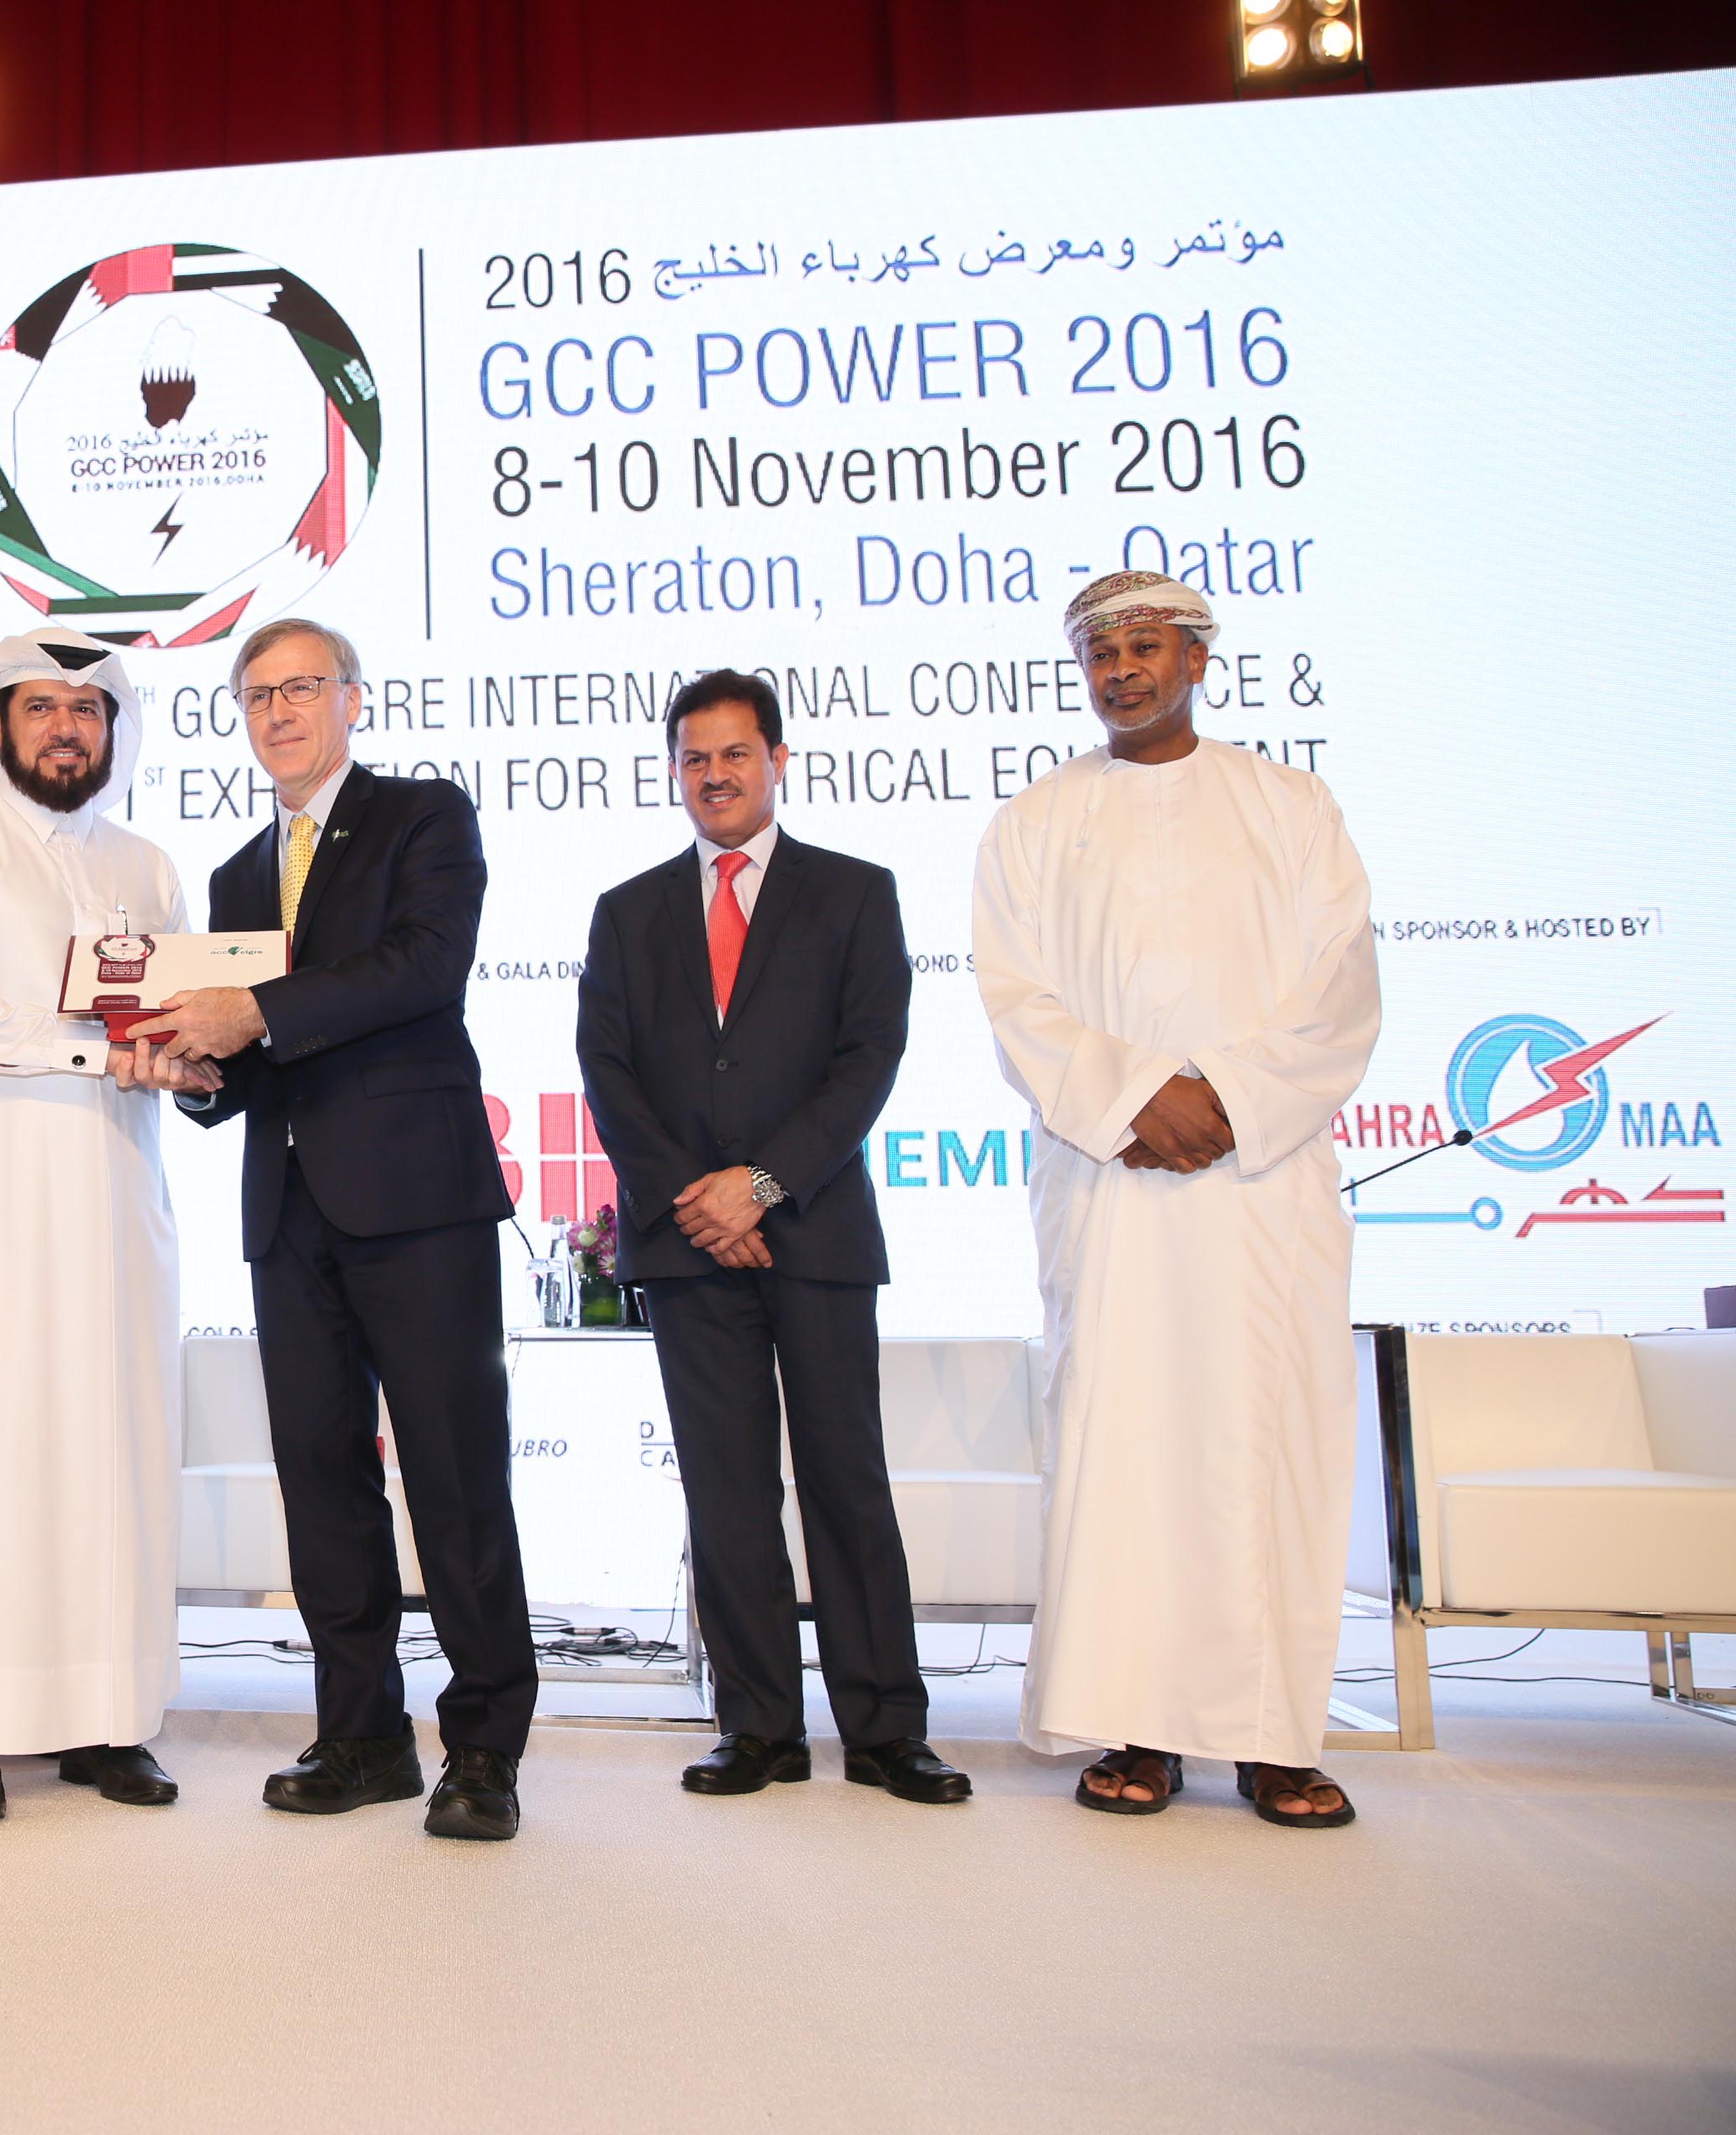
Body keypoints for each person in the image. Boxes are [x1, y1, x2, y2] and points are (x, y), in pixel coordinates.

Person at [973, 572, 1381, 1829]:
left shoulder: (1290, 806)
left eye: (1144, 648)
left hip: (1260, 1187)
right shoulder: (1037, 821)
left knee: (1266, 1449)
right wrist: (1138, 1099)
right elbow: (1018, 1001)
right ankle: (1139, 1729)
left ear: (1197, 658)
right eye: (1101, 655)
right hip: (1113, 1182)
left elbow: (1339, 987)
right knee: (1129, 1450)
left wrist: (1229, 1101)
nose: (1121, 673)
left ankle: (1275, 1737)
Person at [139, 617, 536, 1841]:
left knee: (454, 1475)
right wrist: (191, 1071)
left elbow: (425, 966)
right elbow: (249, 1063)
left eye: (301, 687)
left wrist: (251, 1011)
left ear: (353, 699)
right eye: (255, 695)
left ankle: (484, 1748)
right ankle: (362, 1733)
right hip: (289, 1213)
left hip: (418, 1202)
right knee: (321, 1481)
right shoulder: (236, 877)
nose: (278, 712)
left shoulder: (424, 817)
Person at [574, 671, 969, 1806]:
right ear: (674, 772)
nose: (715, 776)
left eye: (735, 754)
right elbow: (608, 1070)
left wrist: (759, 1185)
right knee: (728, 1492)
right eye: (694, 759)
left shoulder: (855, 893)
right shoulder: (627, 911)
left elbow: (869, 1058)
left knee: (847, 1480)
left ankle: (887, 1730)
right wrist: (694, 1200)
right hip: (686, 1245)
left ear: (778, 760)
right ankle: (757, 1726)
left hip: (817, 1229)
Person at [0, 625, 217, 1821]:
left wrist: (192, 1057)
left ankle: (105, 1719)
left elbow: (172, 1020)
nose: (67, 729)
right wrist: (91, 1050)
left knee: (108, 1451)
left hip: (112, 1207)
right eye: (43, 707)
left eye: (88, 709)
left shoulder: (148, 865)